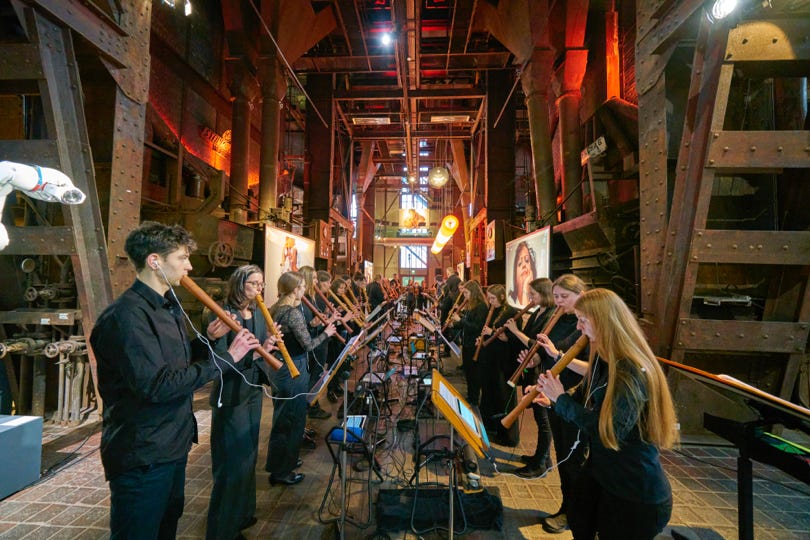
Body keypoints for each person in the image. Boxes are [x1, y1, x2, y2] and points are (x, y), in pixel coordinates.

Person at [90, 221, 261, 539]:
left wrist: (206, 342)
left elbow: (173, 363)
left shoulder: (166, 307)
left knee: (165, 528)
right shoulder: (127, 317)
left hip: (171, 443)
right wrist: (228, 358)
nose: (190, 265)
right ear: (155, 261)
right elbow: (156, 385)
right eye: (182, 258)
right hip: (143, 453)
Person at [536, 288, 678, 540]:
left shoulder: (630, 370)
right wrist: (551, 399)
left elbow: (609, 432)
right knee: (579, 519)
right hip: (603, 473)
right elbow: (585, 394)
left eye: (583, 320)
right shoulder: (604, 357)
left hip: (633, 490)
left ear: (604, 322)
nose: (579, 328)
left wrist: (561, 400)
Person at [205, 265, 280, 540]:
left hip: (252, 391)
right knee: (231, 464)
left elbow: (256, 350)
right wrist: (256, 355)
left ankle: (243, 514)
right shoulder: (225, 314)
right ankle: (222, 531)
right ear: (239, 284)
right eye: (253, 284)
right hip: (232, 394)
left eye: (261, 284)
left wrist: (268, 345)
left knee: (248, 457)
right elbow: (222, 359)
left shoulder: (258, 313)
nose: (258, 289)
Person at [516, 273, 590, 533]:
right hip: (556, 396)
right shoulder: (563, 319)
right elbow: (553, 358)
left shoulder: (586, 325)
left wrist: (555, 354)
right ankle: (567, 507)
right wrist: (536, 361)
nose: (558, 302)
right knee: (563, 457)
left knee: (573, 460)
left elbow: (591, 367)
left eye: (563, 297)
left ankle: (573, 513)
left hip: (574, 400)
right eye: (555, 296)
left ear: (581, 295)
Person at [265, 271, 336, 486]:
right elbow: (308, 345)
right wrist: (327, 332)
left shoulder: (276, 308)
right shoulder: (293, 312)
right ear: (295, 289)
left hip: (281, 368)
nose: (305, 290)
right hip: (292, 368)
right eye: (303, 287)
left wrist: (313, 325)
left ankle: (282, 462)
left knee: (283, 419)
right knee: (292, 419)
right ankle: (282, 471)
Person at [502, 278, 556, 477]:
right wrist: (508, 336)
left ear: (544, 294)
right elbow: (526, 339)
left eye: (533, 294)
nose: (530, 298)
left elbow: (537, 343)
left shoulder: (551, 315)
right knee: (537, 414)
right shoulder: (537, 312)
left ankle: (540, 464)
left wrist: (515, 330)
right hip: (532, 367)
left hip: (541, 369)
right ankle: (541, 456)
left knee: (543, 418)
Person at [477, 284, 518, 441]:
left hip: (502, 360)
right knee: (488, 392)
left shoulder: (511, 313)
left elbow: (512, 338)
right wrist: (481, 339)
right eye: (489, 298)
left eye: (493, 298)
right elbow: (488, 332)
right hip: (489, 357)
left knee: (501, 395)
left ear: (501, 297)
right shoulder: (491, 310)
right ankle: (488, 425)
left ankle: (503, 432)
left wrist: (492, 333)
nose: (490, 301)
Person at [449, 280, 488, 406]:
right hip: (467, 343)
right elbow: (465, 323)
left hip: (474, 345)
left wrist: (460, 319)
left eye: (466, 293)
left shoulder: (481, 306)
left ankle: (474, 398)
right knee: (468, 371)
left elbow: (476, 327)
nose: (464, 296)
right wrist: (453, 324)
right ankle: (470, 395)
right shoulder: (471, 305)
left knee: (473, 373)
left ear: (474, 292)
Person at [509, 241, 537, 307]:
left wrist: (526, 286)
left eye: (527, 261)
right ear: (515, 273)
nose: (524, 265)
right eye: (519, 263)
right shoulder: (511, 300)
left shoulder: (536, 300)